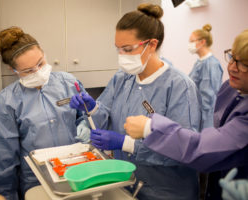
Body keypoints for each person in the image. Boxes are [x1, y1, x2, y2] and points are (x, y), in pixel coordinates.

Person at [70, 3, 202, 200]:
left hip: (167, 191)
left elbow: (185, 150)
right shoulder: (123, 78)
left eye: (127, 49)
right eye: (118, 49)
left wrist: (127, 143)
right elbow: (106, 117)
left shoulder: (180, 86)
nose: (121, 56)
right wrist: (93, 107)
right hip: (126, 184)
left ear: (152, 45)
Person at [123, 29, 248, 200]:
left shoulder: (185, 80)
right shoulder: (232, 88)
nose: (232, 67)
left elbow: (205, 147)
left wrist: (151, 128)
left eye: (244, 64)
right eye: (232, 57)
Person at [0, 27, 89, 200]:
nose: (37, 72)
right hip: (36, 182)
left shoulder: (68, 83)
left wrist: (86, 126)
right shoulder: (8, 101)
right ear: (13, 70)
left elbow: (88, 116)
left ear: (44, 54)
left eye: (41, 64)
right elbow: (4, 158)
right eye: (28, 70)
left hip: (77, 171)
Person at [188, 24, 223, 129]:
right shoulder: (200, 62)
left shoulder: (211, 64)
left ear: (202, 42)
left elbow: (208, 101)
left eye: (192, 41)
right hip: (196, 115)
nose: (190, 44)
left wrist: (205, 128)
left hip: (206, 120)